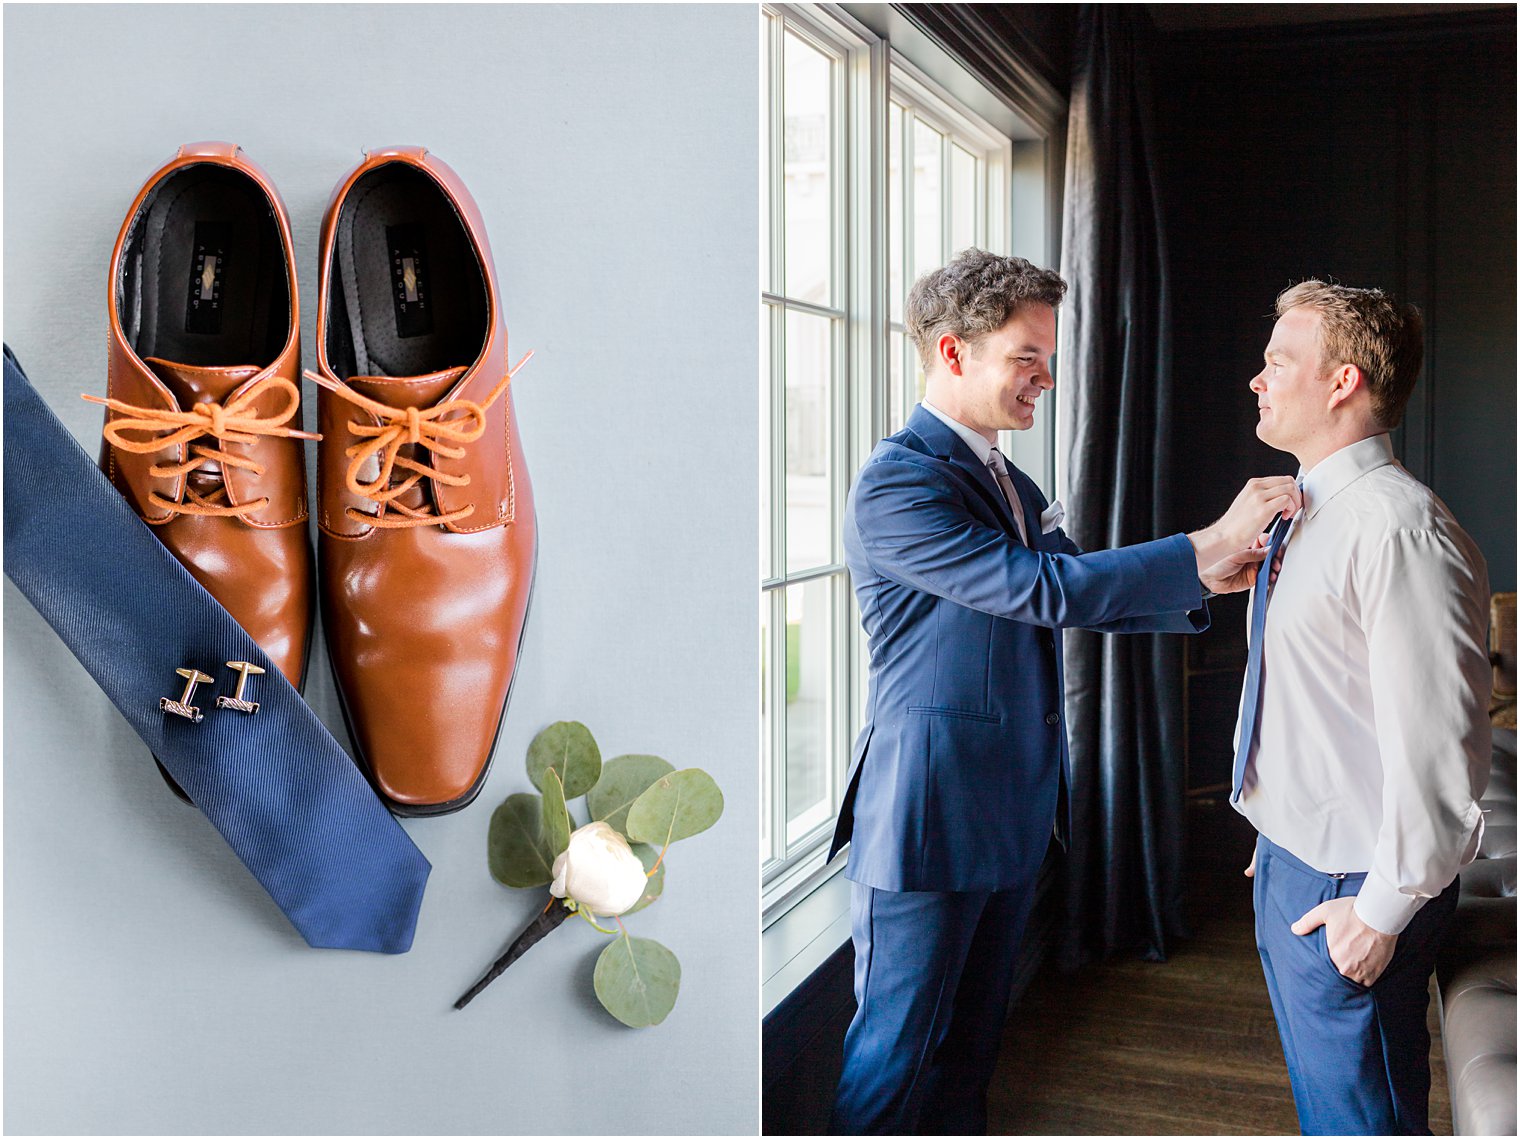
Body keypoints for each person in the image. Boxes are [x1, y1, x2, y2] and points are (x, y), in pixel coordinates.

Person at [826, 248, 1302, 1135]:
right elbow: (1044, 590)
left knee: (969, 1056)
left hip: (1008, 811)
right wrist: (1205, 540)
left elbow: (1076, 584)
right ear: (952, 352)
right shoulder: (897, 483)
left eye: (1049, 356)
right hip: (927, 819)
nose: (1046, 377)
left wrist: (1207, 582)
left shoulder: (1013, 480)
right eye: (1027, 357)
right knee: (890, 1067)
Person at [1233, 280, 1491, 1135]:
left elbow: (1441, 753)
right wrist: (1282, 832)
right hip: (1299, 858)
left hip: (1354, 887)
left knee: (1364, 1122)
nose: (1257, 379)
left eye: (1279, 361)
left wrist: (1377, 913)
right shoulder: (1305, 512)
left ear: (1343, 381)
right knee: (1329, 1112)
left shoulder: (1398, 530)